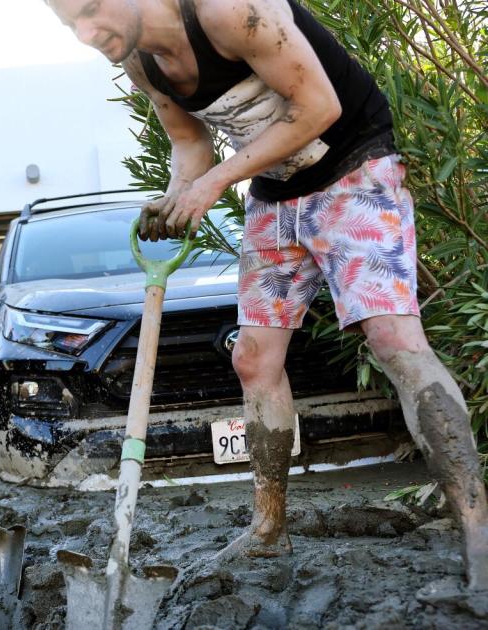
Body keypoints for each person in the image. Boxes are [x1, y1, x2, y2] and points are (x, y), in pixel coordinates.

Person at [45, 0, 487, 589]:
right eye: (68, 23)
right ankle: (268, 529)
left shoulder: (229, 10)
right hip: (277, 192)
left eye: (91, 10)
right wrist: (179, 196)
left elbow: (319, 105)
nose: (85, 33)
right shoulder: (145, 65)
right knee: (252, 358)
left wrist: (211, 185)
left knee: (394, 339)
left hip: (354, 168)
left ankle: (478, 531)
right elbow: (190, 145)